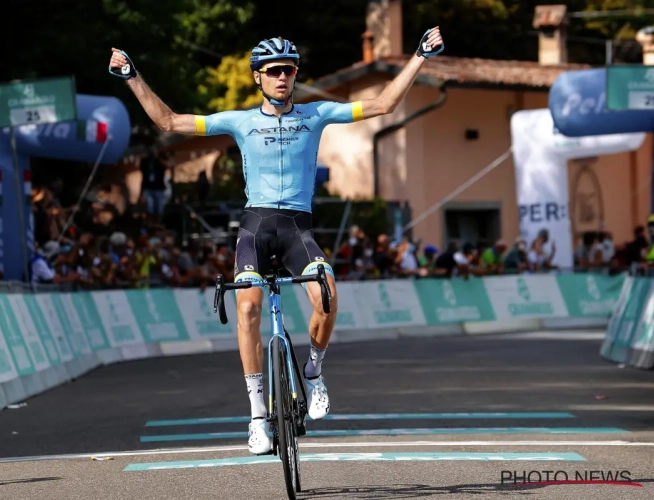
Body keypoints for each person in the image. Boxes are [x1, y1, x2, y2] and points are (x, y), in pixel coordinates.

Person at [108, 27, 445, 455]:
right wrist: (132, 75)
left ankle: (314, 372)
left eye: (288, 70)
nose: (282, 77)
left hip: (297, 230)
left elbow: (384, 104)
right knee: (247, 306)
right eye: (273, 71)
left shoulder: (316, 114)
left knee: (327, 294)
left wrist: (419, 55)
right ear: (258, 78)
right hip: (255, 226)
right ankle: (256, 417)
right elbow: (170, 122)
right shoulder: (240, 121)